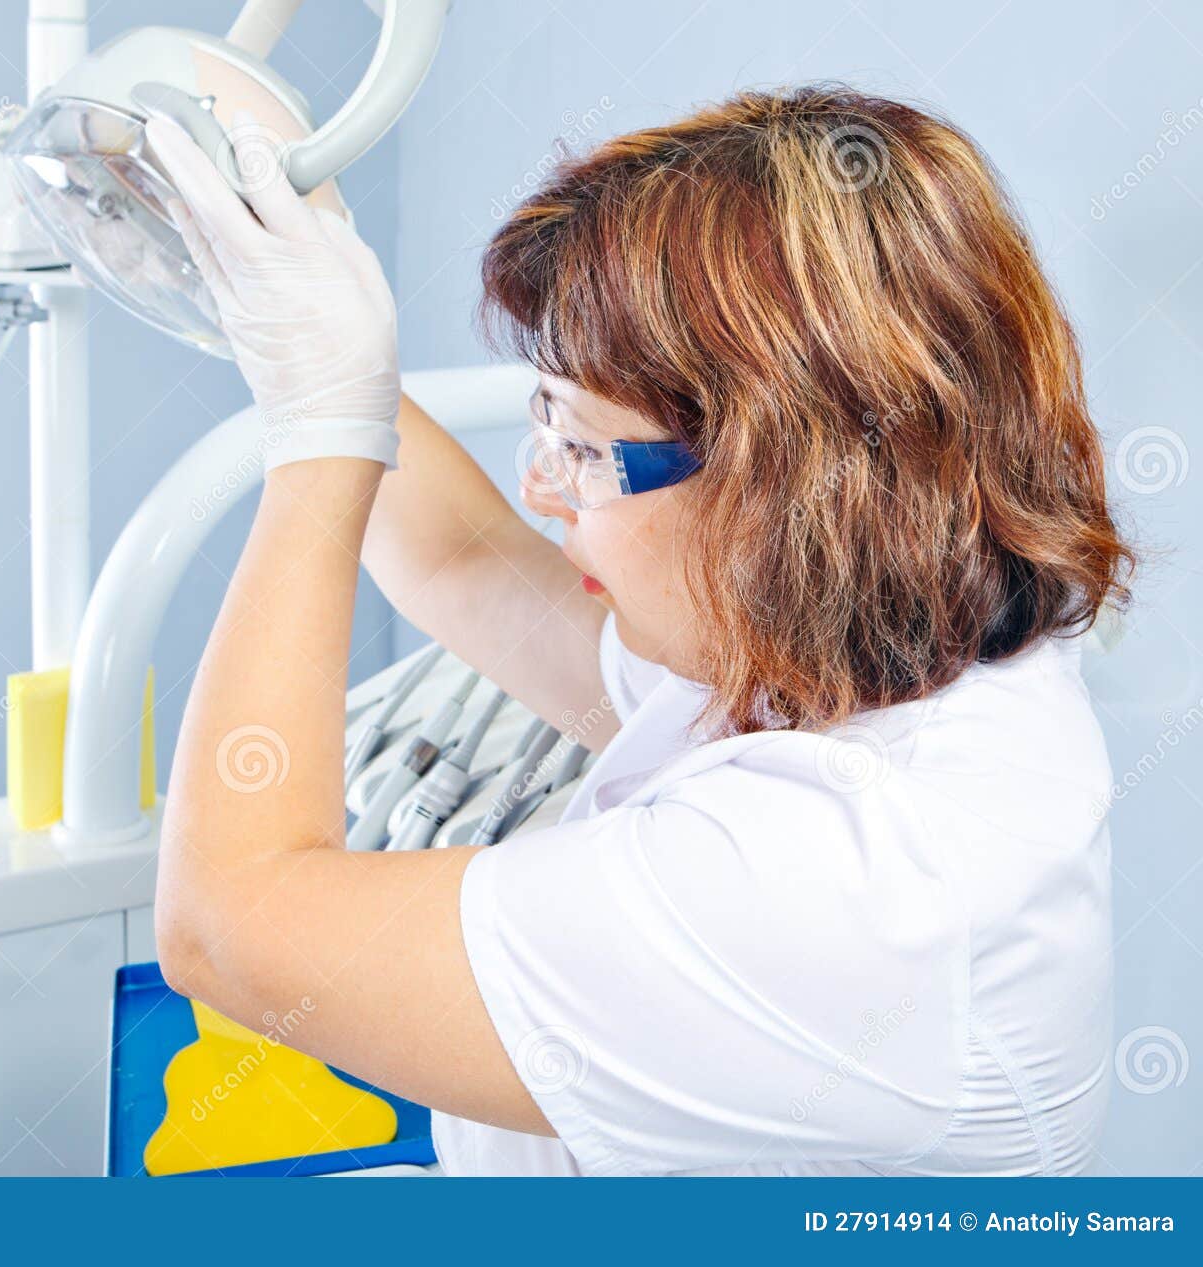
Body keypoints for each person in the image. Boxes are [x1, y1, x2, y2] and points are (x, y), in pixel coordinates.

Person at [141, 85, 1134, 1176]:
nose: (540, 486)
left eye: (579, 445)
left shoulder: (834, 888)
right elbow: (463, 564)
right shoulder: (884, 645)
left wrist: (313, 437)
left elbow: (224, 923)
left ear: (779, 485)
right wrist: (288, 294)